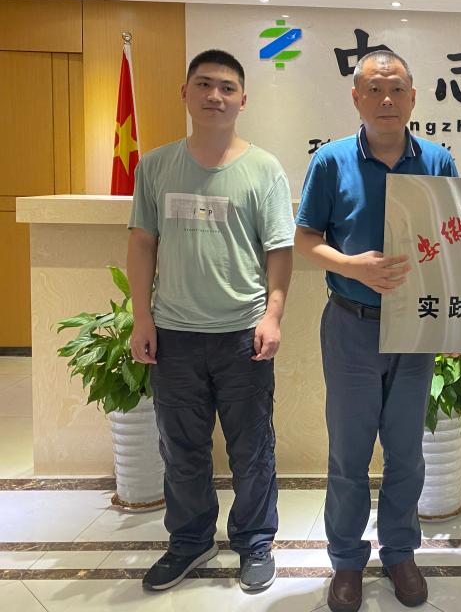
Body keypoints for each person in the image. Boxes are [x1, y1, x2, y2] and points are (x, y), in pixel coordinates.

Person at [295, 50, 458, 612]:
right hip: (351, 326)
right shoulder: (331, 161)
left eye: (396, 89)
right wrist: (351, 265)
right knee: (349, 453)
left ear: (413, 97)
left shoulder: (437, 160)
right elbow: (305, 240)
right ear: (356, 97)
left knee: (407, 451)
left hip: (415, 328)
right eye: (374, 89)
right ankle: (346, 561)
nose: (386, 99)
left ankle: (400, 552)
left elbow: (456, 240)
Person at [128, 49, 294, 593]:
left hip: (243, 335)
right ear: (185, 93)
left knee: (253, 450)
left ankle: (255, 541)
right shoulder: (156, 166)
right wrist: (142, 318)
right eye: (203, 85)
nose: (214, 96)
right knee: (181, 450)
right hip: (174, 335)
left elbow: (278, 250)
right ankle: (190, 541)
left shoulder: (264, 169)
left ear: (243, 100)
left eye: (227, 87)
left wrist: (272, 315)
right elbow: (142, 243)